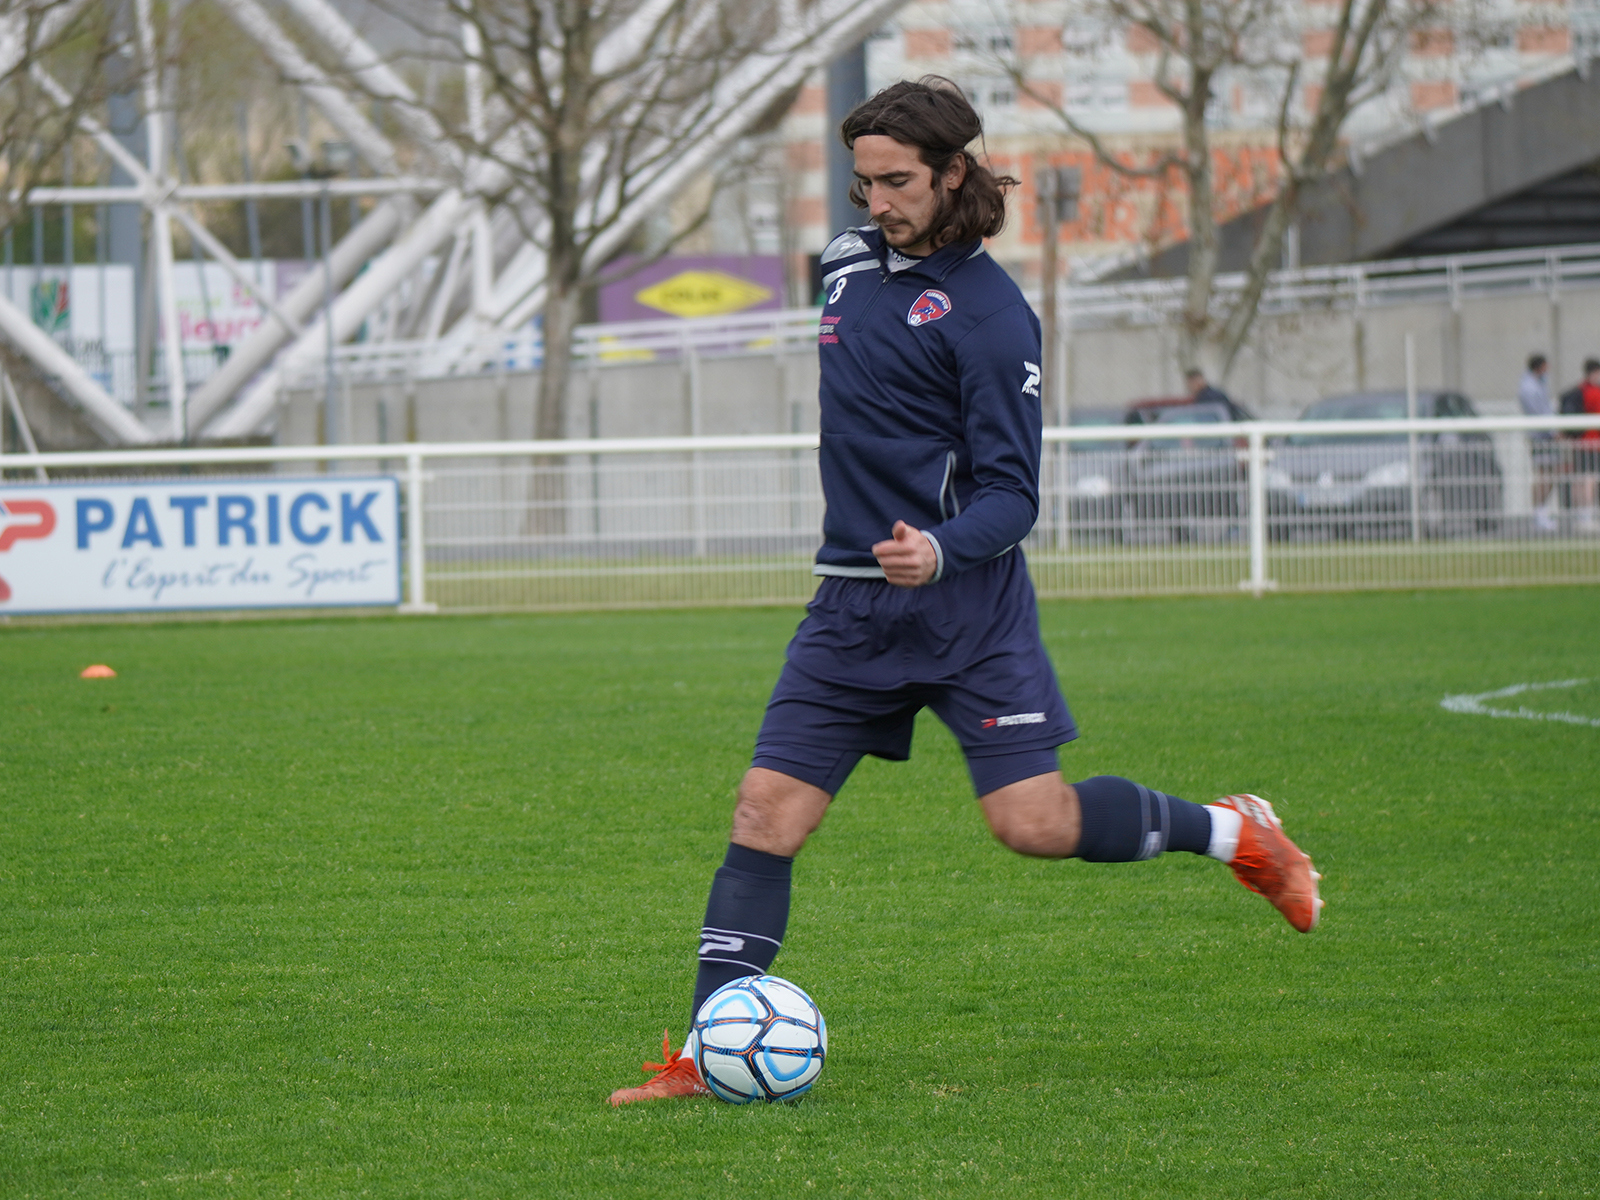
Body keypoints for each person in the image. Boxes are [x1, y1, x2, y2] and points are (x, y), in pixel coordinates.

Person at [607, 78, 1321, 1107]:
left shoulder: (991, 316)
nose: (875, 202)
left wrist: (938, 552)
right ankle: (707, 1053)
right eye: (861, 182)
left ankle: (1237, 835)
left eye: (896, 181)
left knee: (1030, 824)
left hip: (962, 607)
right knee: (764, 812)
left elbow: (1012, 497)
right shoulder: (847, 264)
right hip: (848, 607)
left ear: (954, 174)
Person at [1519, 354, 1558, 531]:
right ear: (1539, 367)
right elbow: (1539, 413)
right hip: (1541, 438)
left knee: (1549, 475)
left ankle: (1541, 512)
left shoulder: (1538, 384)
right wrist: (1553, 431)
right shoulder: (1529, 387)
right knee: (1543, 475)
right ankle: (1538, 514)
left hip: (1547, 437)